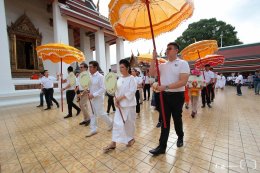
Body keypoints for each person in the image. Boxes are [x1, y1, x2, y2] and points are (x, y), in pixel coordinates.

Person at [149, 42, 190, 155]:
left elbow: (183, 81)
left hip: (177, 96)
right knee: (165, 121)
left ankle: (180, 136)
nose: (167, 50)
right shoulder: (163, 65)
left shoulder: (183, 63)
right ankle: (162, 147)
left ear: (176, 50)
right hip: (164, 96)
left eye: (169, 48)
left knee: (177, 118)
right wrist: (153, 59)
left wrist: (166, 86)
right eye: (166, 49)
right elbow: (151, 73)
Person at [103, 59, 137, 152]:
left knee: (129, 123)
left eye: (122, 67)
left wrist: (120, 98)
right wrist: (116, 100)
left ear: (127, 68)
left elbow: (132, 91)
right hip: (120, 106)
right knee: (117, 124)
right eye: (120, 67)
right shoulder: (119, 79)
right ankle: (113, 143)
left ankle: (131, 138)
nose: (121, 69)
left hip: (129, 105)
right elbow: (116, 91)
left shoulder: (132, 79)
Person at [86, 61, 113, 137]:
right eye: (89, 67)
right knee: (92, 114)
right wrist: (88, 91)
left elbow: (103, 88)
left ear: (95, 67)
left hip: (98, 98)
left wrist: (93, 95)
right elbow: (89, 87)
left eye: (91, 67)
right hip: (91, 98)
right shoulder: (89, 76)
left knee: (101, 113)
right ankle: (93, 129)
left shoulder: (100, 77)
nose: (89, 68)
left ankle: (111, 123)